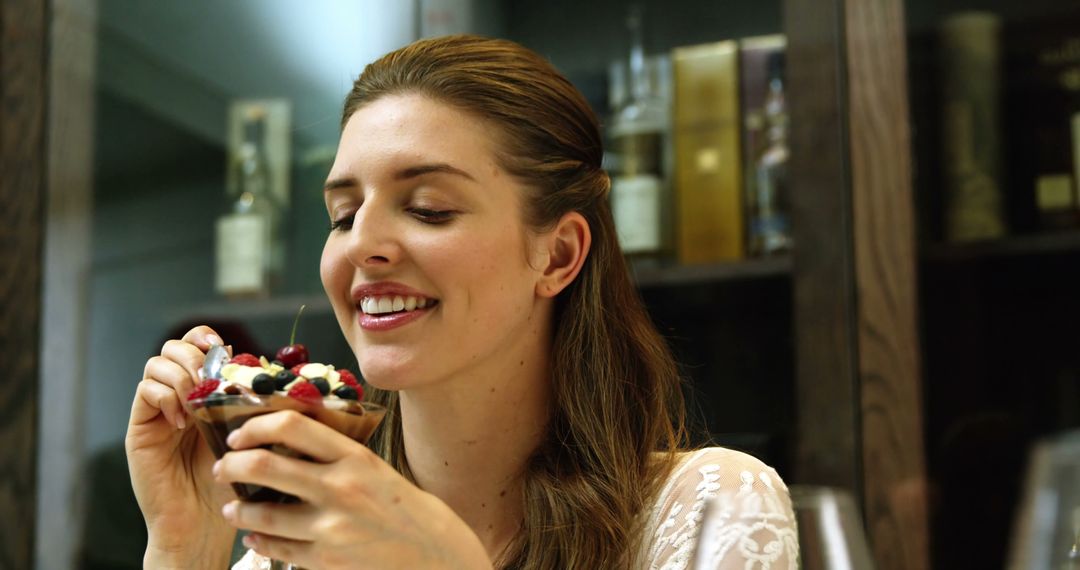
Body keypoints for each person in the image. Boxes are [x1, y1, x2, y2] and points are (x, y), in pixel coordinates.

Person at [126, 35, 799, 569]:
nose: (363, 245)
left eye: (428, 208)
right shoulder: (287, 549)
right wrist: (186, 550)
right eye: (342, 214)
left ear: (558, 255)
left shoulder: (710, 510)